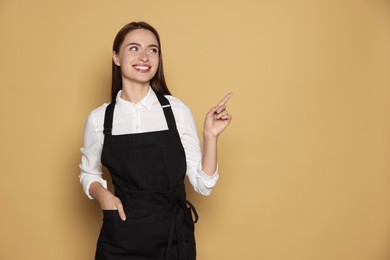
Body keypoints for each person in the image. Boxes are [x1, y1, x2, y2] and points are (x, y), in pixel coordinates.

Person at [79, 21, 232, 260]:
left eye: (152, 49)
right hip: (121, 235)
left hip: (172, 237)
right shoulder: (99, 119)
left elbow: (203, 185)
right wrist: (103, 195)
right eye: (133, 48)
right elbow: (89, 173)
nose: (144, 56)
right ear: (116, 57)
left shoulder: (177, 111)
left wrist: (210, 136)